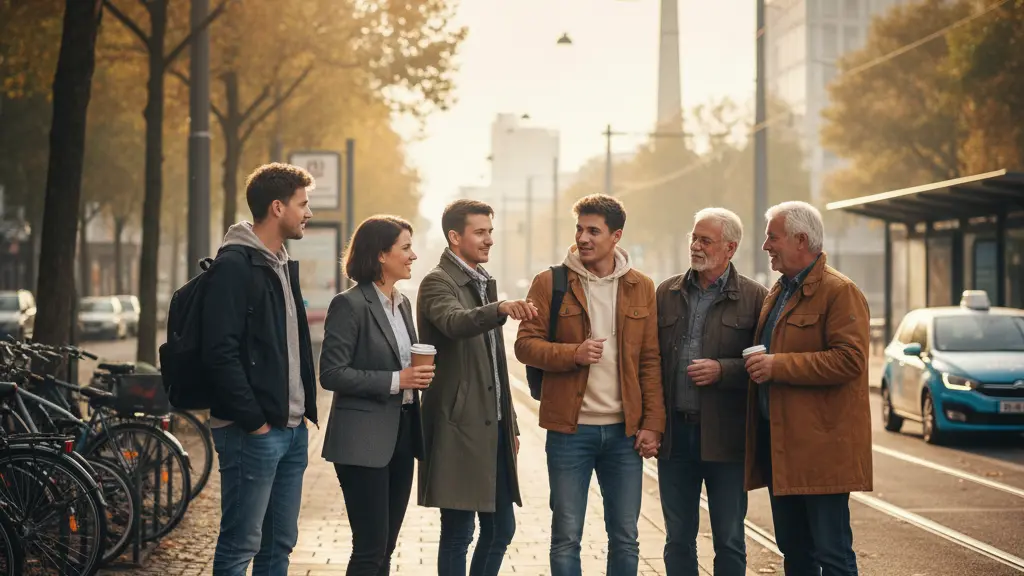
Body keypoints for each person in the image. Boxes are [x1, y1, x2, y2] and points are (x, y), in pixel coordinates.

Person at [515, 193, 666, 576]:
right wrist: (573, 354)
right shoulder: (551, 283)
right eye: (579, 229)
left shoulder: (641, 287)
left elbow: (650, 359)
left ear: (616, 236)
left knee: (625, 537)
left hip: (624, 433)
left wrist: (653, 423)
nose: (583, 238)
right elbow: (524, 345)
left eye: (593, 231)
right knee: (566, 535)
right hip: (570, 430)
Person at [203, 162, 318, 576]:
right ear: (276, 207)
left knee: (279, 546)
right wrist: (254, 423)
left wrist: (299, 416)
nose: (309, 213)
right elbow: (220, 352)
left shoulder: (283, 263)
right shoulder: (235, 266)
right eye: (303, 204)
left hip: (289, 431)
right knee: (241, 544)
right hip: (251, 432)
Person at [744, 201, 871, 576]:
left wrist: (777, 366)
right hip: (781, 447)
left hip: (820, 451)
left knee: (831, 552)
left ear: (801, 240)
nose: (766, 245)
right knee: (795, 552)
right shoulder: (779, 290)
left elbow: (850, 360)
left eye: (772, 237)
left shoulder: (839, 291)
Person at [416, 199, 537, 576]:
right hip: (459, 427)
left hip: (492, 428)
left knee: (501, 527)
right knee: (458, 532)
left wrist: (511, 424)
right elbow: (454, 322)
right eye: (480, 232)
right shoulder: (439, 281)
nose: (489, 240)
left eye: (490, 232)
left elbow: (496, 367)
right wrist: (499, 309)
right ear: (455, 237)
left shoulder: (481, 281)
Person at [655, 208, 767, 576]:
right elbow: (649, 362)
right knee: (678, 539)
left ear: (730, 248)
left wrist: (723, 369)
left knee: (730, 539)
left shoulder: (754, 298)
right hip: (676, 438)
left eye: (706, 240)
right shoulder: (666, 293)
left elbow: (766, 366)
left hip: (727, 439)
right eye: (694, 237)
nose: (696, 246)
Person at [319, 215, 433, 576]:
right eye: (406, 248)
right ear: (382, 255)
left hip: (402, 434)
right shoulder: (349, 305)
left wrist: (417, 376)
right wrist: (397, 379)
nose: (413, 256)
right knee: (369, 549)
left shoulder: (401, 304)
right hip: (362, 442)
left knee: (385, 547)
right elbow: (332, 373)